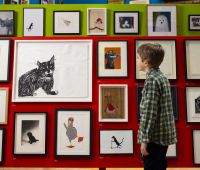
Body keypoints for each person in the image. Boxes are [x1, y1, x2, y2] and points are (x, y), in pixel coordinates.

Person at [136, 43, 177, 170]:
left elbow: (149, 113)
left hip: (154, 137)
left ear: (146, 62)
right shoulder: (162, 77)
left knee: (151, 166)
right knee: (160, 164)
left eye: (138, 58)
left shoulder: (152, 80)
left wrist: (144, 140)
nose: (136, 61)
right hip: (162, 136)